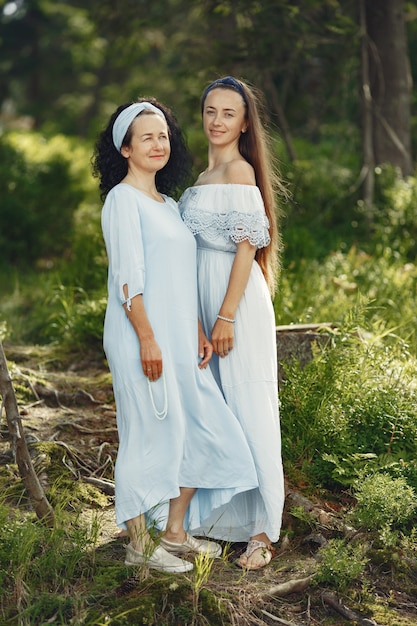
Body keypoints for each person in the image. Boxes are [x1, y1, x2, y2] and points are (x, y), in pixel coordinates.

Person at [92, 98, 259, 573]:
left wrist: (199, 330)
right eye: (146, 136)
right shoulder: (121, 200)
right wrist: (147, 338)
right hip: (139, 338)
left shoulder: (168, 204)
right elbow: (129, 279)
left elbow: (180, 279)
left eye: (163, 135)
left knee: (204, 429)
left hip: (182, 341)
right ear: (124, 148)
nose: (158, 143)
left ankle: (175, 533)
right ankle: (139, 547)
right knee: (147, 436)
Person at [179, 77, 286, 570]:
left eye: (228, 113)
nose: (217, 121)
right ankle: (222, 521)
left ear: (245, 123)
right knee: (214, 410)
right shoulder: (203, 178)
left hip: (235, 306)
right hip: (204, 304)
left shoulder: (241, 172)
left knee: (248, 403)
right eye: (210, 111)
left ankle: (263, 532)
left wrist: (224, 316)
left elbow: (247, 247)